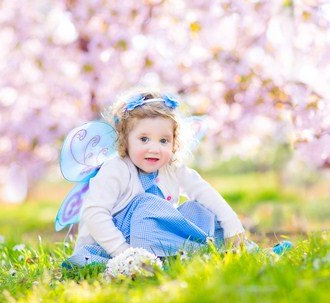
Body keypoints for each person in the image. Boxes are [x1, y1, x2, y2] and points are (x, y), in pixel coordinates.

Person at [66, 91, 248, 267]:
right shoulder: (115, 168)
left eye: (164, 141)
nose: (154, 148)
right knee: (146, 204)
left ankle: (211, 250)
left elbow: (203, 191)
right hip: (114, 246)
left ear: (174, 142)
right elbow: (94, 213)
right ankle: (180, 255)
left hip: (155, 239)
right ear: (125, 140)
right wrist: (124, 253)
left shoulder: (171, 167)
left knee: (198, 209)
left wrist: (232, 224)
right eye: (144, 139)